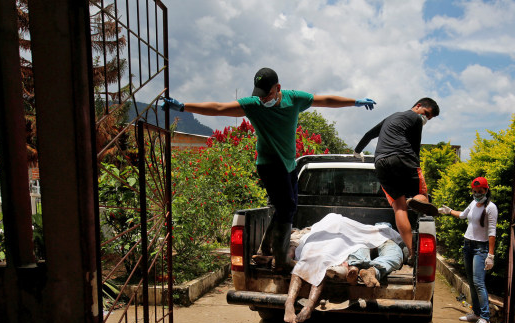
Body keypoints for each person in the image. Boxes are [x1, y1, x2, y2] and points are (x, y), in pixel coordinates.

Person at [161, 68, 376, 272]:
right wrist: (183, 107)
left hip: (289, 164)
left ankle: (266, 247)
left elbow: (325, 100)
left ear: (278, 88)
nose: (264, 99)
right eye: (261, 96)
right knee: (287, 207)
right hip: (269, 164)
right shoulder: (253, 105)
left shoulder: (294, 99)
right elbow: (218, 108)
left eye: (267, 95)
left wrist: (355, 102)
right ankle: (281, 259)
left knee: (288, 206)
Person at [353, 98, 440, 261]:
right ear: (418, 106)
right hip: (403, 157)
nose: (426, 119)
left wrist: (357, 151)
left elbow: (369, 134)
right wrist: (415, 168)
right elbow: (415, 147)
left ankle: (412, 252)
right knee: (423, 194)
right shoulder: (415, 118)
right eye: (427, 114)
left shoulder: (390, 118)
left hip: (380, 162)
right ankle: (418, 200)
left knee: (399, 208)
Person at [283, 214, 404, 323]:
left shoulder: (345, 225)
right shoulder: (331, 223)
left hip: (335, 232)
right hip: (327, 230)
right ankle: (294, 303)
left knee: (319, 260)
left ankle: (304, 305)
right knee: (313, 259)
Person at [438, 177, 498, 323]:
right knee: (471, 282)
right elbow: (463, 215)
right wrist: (449, 211)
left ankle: (485, 319)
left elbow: (492, 233)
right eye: (475, 191)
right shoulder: (473, 203)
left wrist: (490, 255)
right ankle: (476, 313)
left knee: (479, 282)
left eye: (480, 191)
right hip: (468, 245)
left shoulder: (491, 208)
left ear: (486, 190)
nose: (477, 194)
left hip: (480, 248)